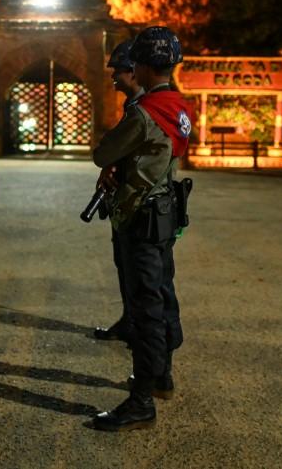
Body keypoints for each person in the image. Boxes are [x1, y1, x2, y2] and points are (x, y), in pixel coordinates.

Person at [90, 26, 190, 431]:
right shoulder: (180, 107)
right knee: (163, 293)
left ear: (144, 66)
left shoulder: (146, 113)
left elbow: (103, 153)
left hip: (142, 217)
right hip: (166, 213)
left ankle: (141, 399)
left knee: (146, 306)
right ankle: (162, 375)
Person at [92, 39, 143, 345]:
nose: (113, 76)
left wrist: (108, 159)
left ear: (135, 71)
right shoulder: (133, 105)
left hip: (140, 203)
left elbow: (108, 151)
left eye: (118, 70)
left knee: (142, 276)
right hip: (126, 201)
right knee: (124, 264)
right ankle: (129, 320)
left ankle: (148, 347)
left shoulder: (145, 109)